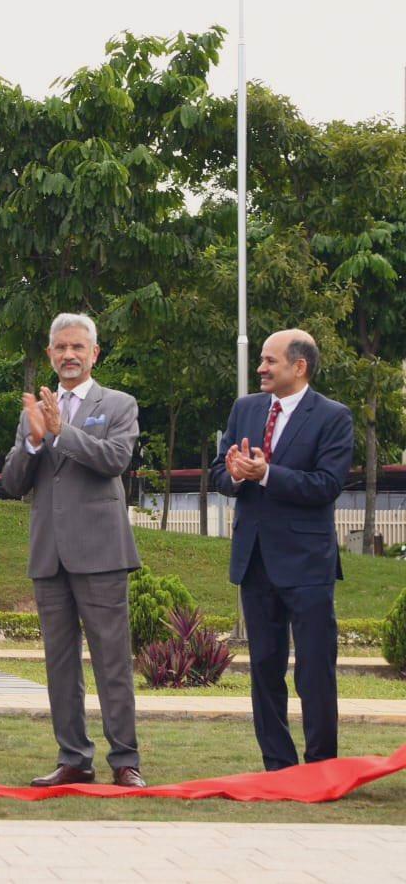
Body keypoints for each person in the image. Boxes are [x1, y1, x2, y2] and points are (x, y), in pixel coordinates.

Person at [1, 312, 145, 789]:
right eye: (60, 348)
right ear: (49, 354)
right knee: (59, 664)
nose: (68, 355)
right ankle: (72, 758)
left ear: (94, 354)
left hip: (101, 554)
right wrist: (36, 442)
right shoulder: (35, 410)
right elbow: (13, 482)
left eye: (77, 348)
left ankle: (125, 760)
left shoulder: (119, 404)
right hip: (49, 555)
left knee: (112, 661)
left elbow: (115, 461)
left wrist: (63, 431)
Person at [209, 329, 352, 770]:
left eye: (270, 361)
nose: (260, 369)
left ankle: (321, 765)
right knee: (264, 670)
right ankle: (278, 767)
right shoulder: (245, 408)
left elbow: (327, 485)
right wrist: (234, 474)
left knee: (314, 671)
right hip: (255, 561)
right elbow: (219, 473)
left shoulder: (333, 416)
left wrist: (267, 473)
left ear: (299, 366)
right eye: (261, 361)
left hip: (308, 564)